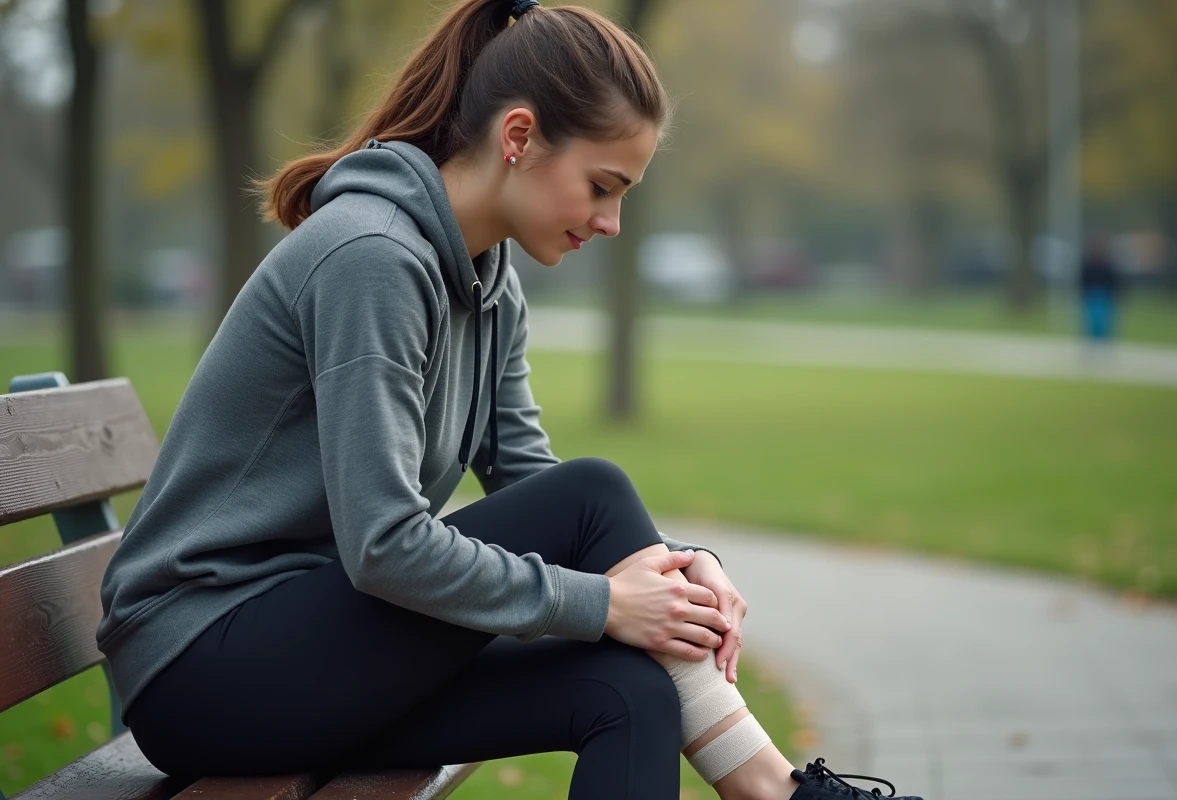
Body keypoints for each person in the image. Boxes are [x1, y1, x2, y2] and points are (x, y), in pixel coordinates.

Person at [95, 2, 922, 798]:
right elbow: (386, 545)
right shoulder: (371, 259)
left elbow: (529, 485)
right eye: (602, 186)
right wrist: (606, 599)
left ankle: (773, 790)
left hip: (315, 653)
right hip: (206, 667)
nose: (612, 222)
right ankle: (773, 792)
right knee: (594, 493)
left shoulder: (490, 281)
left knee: (630, 690)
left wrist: (675, 565)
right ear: (519, 137)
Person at [1079, 232, 1122, 343]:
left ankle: (1104, 343)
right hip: (1091, 295)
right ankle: (1091, 343)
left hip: (1104, 296)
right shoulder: (1089, 264)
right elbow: (1084, 280)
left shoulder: (1107, 264)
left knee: (1104, 323)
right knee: (1091, 322)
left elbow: (1113, 281)